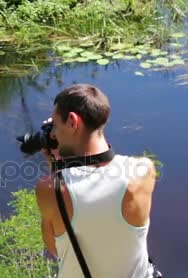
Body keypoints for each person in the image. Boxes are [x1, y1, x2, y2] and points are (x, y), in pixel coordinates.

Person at [35, 83, 160, 278]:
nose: (54, 134)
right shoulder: (143, 171)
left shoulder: (48, 188)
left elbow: (55, 249)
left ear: (72, 121)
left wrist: (55, 163)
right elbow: (106, 167)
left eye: (56, 126)